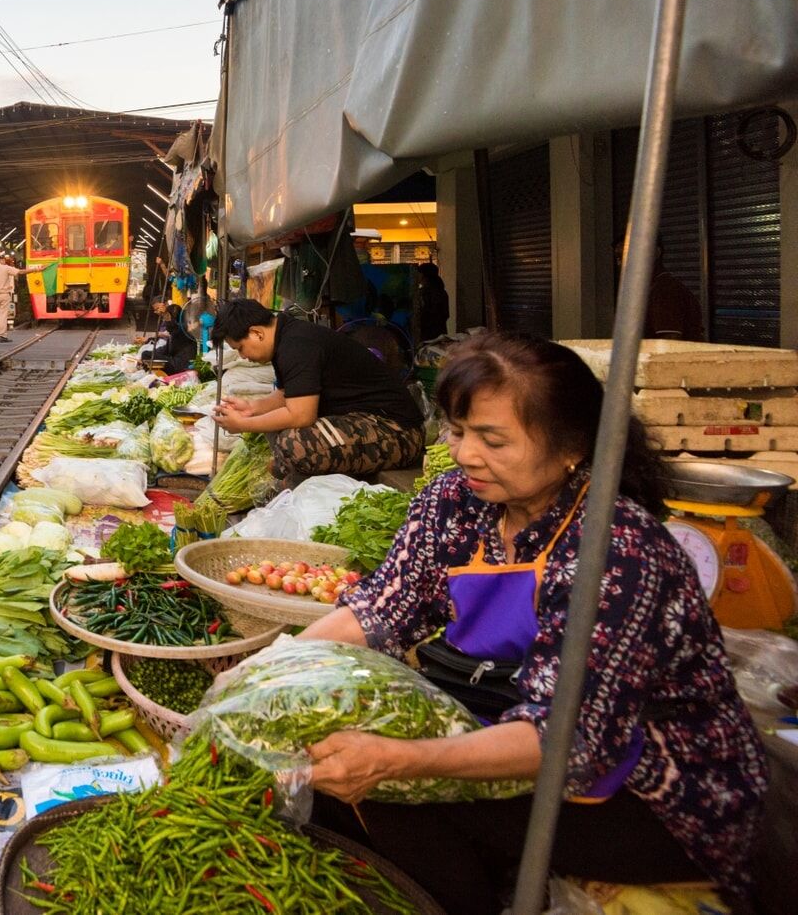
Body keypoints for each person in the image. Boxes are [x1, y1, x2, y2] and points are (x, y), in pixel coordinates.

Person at [299, 333, 766, 915]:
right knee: (325, 777)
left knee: (395, 792)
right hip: (511, 723)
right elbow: (381, 608)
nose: (467, 453)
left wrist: (397, 758)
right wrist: (267, 674)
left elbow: (564, 737)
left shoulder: (615, 548)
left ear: (571, 445)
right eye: (457, 430)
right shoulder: (455, 500)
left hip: (652, 787)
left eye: (494, 440)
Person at [210, 298, 425, 479]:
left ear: (256, 333)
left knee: (295, 445)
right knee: (276, 428)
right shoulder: (288, 338)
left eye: (240, 348)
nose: (243, 356)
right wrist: (253, 408)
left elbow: (302, 415)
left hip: (398, 432)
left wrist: (244, 424)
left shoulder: (297, 344)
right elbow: (290, 394)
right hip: (362, 421)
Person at [0, 250, 50, 342]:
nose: (5, 261)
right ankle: (2, 336)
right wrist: (37, 269)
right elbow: (21, 272)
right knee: (3, 315)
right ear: (1, 259)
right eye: (4, 259)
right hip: (4, 295)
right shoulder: (6, 268)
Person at [413, 262, 450, 342]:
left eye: (418, 273)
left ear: (423, 275)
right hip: (439, 334)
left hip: (426, 336)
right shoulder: (441, 291)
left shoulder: (423, 293)